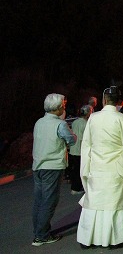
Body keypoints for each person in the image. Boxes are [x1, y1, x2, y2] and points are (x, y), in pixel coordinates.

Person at [77, 86, 123, 248]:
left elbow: (86, 145)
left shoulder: (93, 118)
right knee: (114, 206)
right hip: (115, 169)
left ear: (104, 99)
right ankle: (115, 239)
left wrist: (85, 170)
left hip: (96, 168)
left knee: (93, 205)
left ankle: (88, 238)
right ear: (119, 101)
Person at [32, 93, 77, 246]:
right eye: (63, 106)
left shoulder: (39, 122)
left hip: (38, 165)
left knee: (39, 200)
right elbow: (71, 139)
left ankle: (39, 231)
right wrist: (73, 137)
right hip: (52, 165)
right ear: (58, 108)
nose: (64, 108)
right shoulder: (60, 124)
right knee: (49, 201)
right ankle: (42, 236)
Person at [69, 104, 92, 195]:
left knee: (75, 170)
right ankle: (77, 188)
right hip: (81, 151)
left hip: (73, 149)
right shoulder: (86, 124)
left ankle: (75, 187)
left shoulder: (75, 122)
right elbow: (86, 139)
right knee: (81, 170)